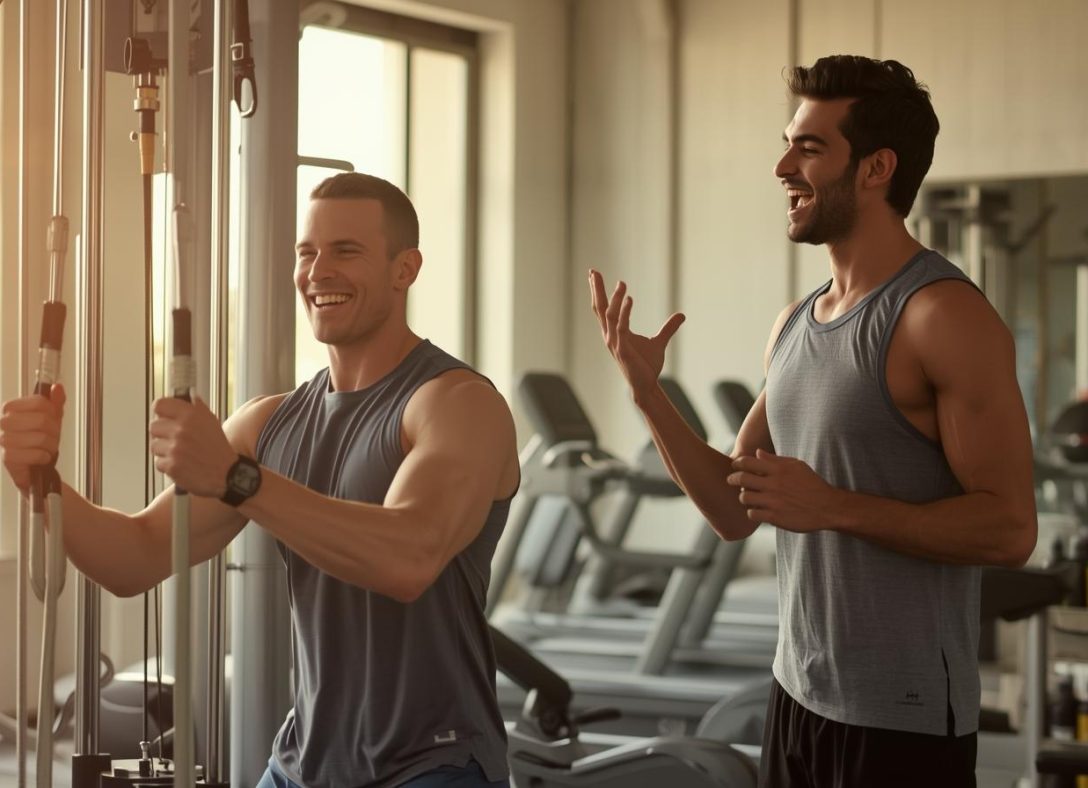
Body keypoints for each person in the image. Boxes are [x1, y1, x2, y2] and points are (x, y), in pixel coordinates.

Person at [589, 55, 1037, 787]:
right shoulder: (796, 322)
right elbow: (736, 512)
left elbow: (1011, 528)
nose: (781, 167)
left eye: (809, 147)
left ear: (875, 168)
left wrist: (832, 507)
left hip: (903, 716)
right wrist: (646, 391)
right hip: (797, 692)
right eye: (788, 142)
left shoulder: (941, 315)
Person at [1, 173, 520, 788]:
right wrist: (41, 481)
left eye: (346, 252)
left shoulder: (457, 404)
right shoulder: (269, 423)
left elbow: (408, 557)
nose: (318, 271)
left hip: (431, 764)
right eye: (307, 253)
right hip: (301, 764)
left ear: (404, 269)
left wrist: (234, 477)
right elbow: (134, 557)